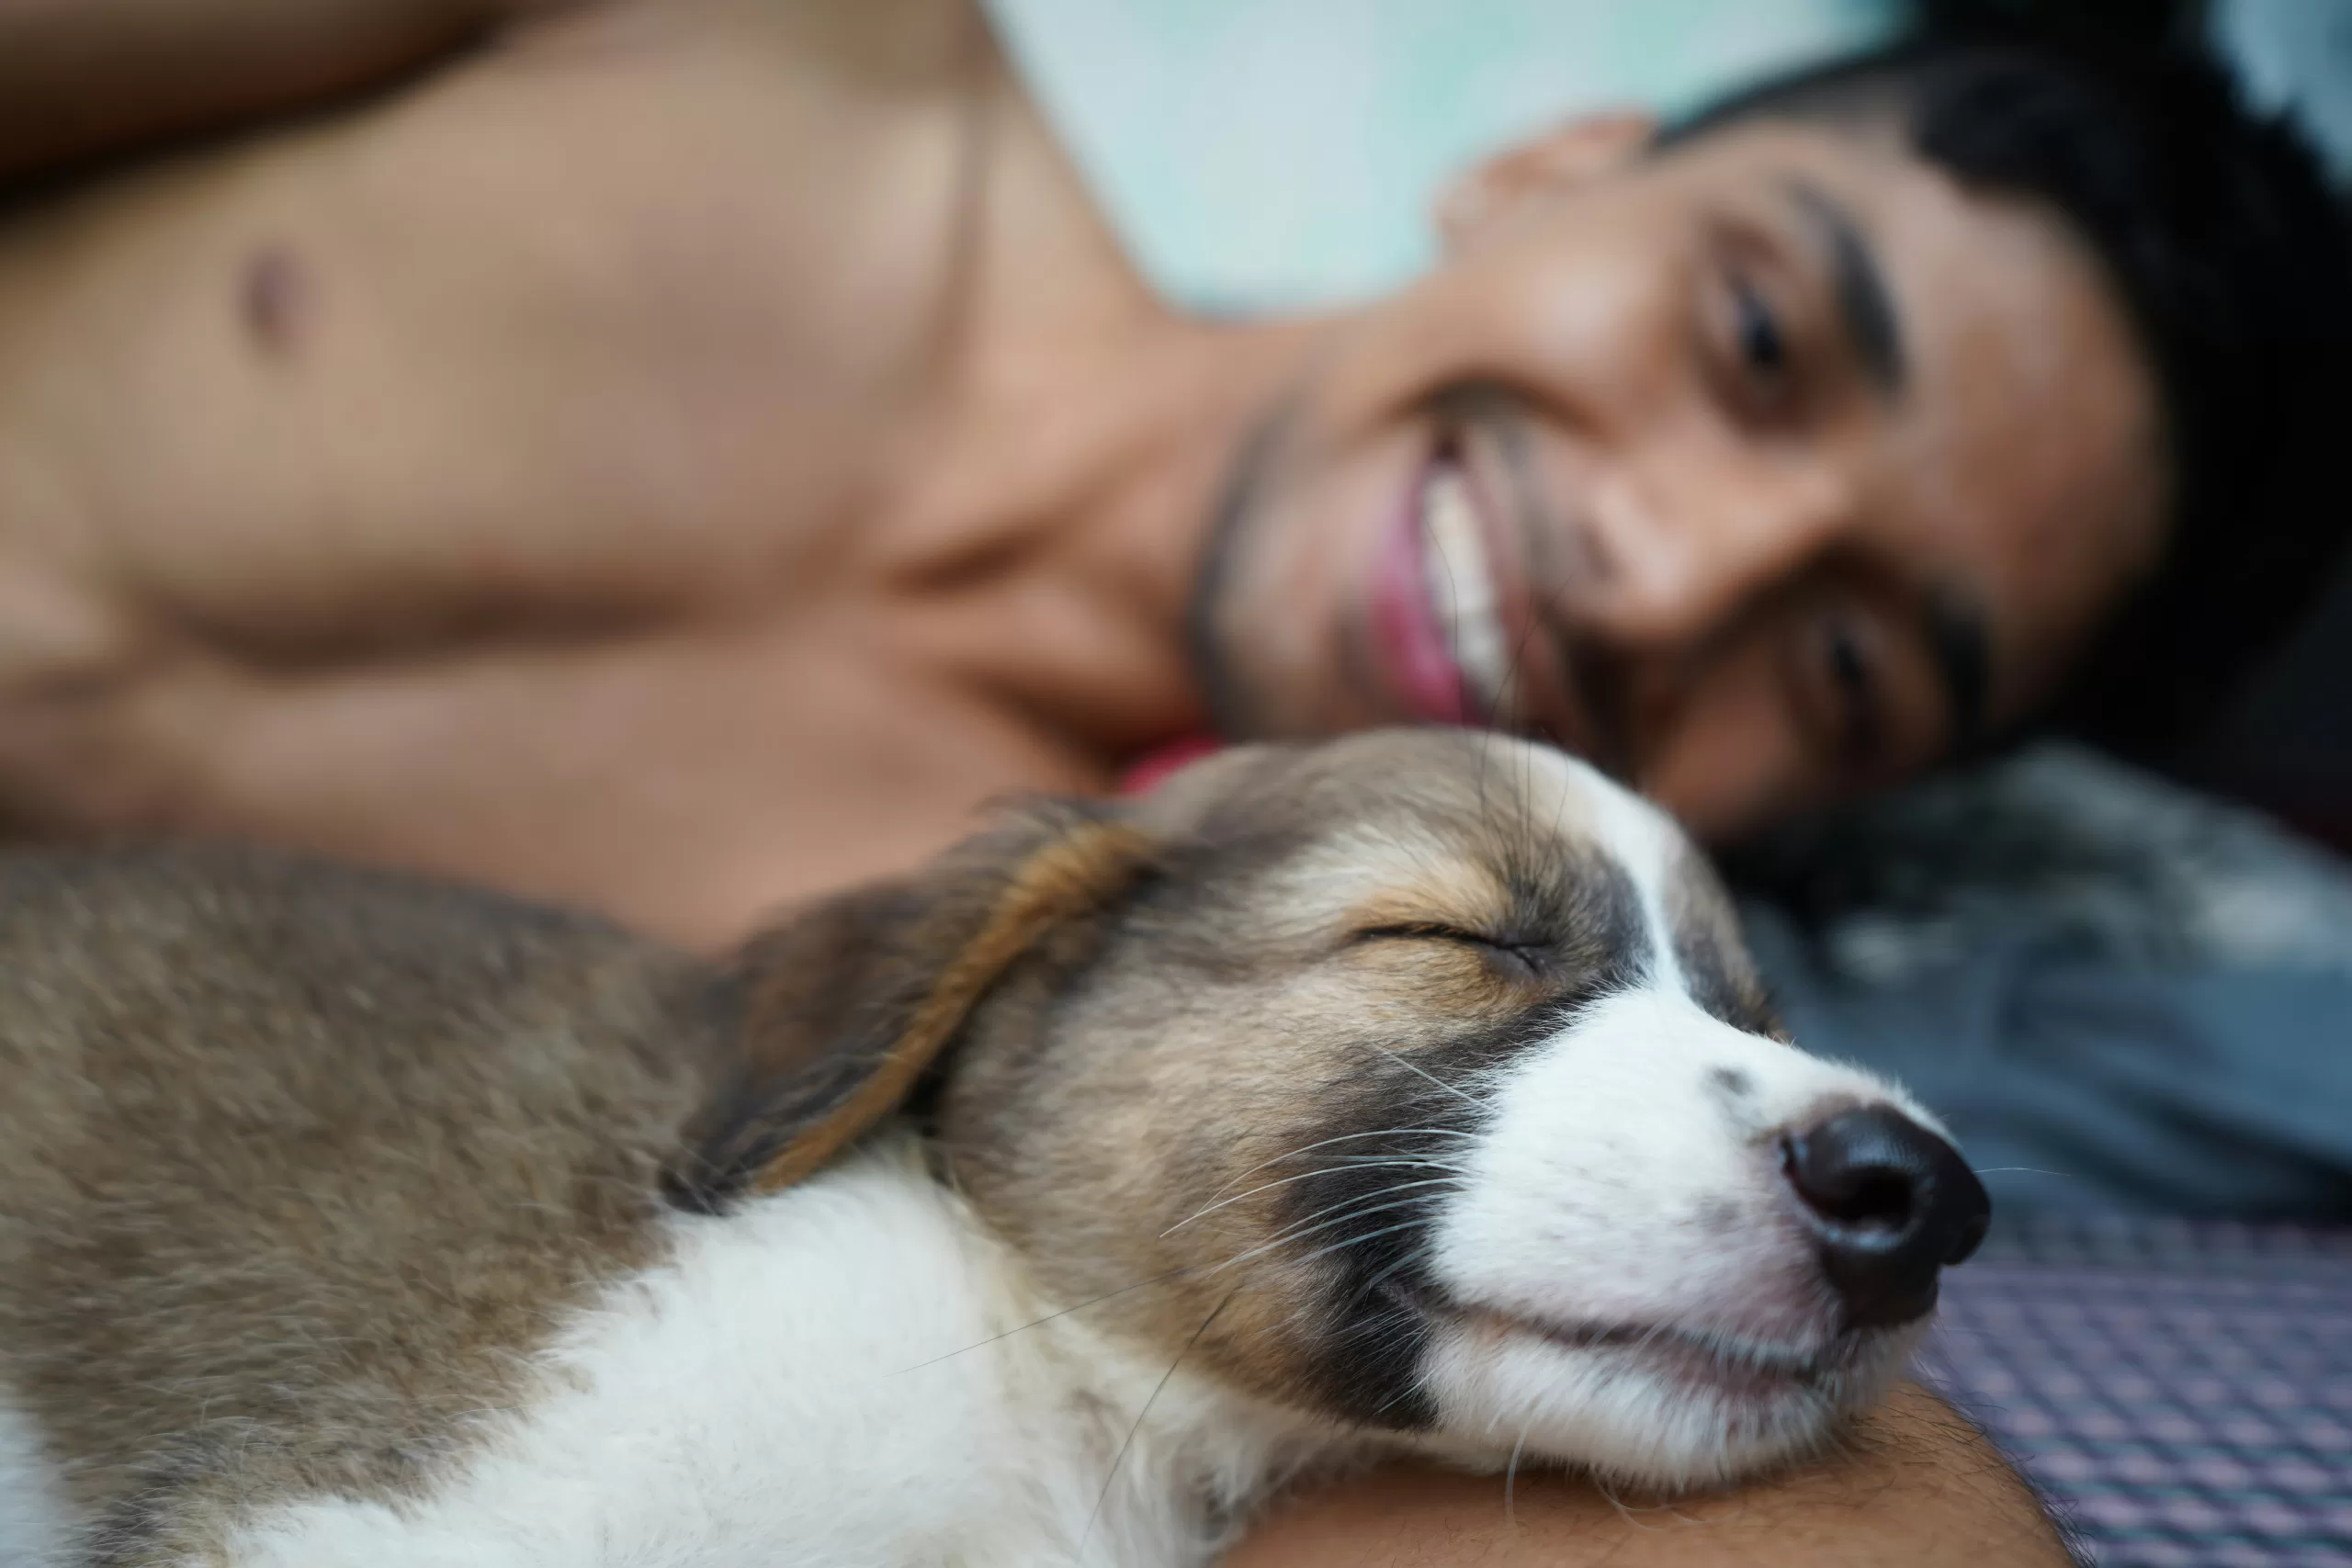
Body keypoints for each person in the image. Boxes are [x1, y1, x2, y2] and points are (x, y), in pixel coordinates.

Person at [0, 2, 2344, 1562]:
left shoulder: (1061, 977)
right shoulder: (796, 52)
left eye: (1834, 661)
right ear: (1545, 168)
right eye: (1753, 337)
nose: (1663, 566)